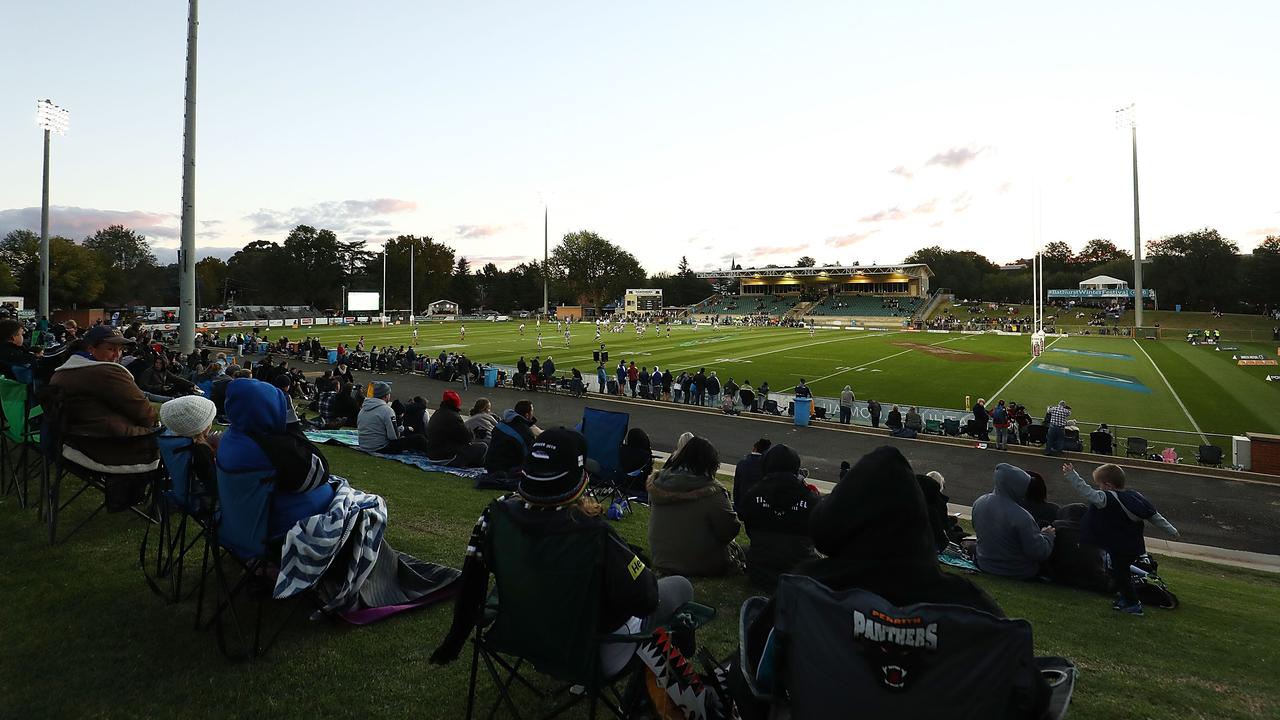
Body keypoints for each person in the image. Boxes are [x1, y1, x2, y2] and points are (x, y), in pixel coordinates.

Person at [431, 428, 694, 680]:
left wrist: (454, 642)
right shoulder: (593, 534)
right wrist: (637, 567)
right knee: (680, 587)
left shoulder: (495, 516)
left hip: (524, 637)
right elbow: (646, 600)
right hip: (588, 653)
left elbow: (471, 587)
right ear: (580, 481)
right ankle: (677, 672)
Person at [218, 379, 335, 534]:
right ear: (266, 409)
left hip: (241, 523)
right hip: (274, 528)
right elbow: (320, 471)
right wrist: (292, 426)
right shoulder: (269, 447)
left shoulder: (233, 437)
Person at [1062, 462, 1178, 615]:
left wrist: (1072, 475)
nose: (1099, 488)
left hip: (1118, 545)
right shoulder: (1135, 497)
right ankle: (1125, 598)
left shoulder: (1106, 498)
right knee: (1119, 572)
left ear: (1108, 485)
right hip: (1133, 545)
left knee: (1120, 574)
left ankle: (1133, 604)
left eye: (1100, 485)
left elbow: (1086, 491)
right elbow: (1155, 517)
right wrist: (1172, 531)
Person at [49, 325, 159, 472]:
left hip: (74, 441)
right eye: (111, 349)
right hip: (108, 446)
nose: (116, 355)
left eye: (120, 350)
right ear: (91, 349)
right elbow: (144, 413)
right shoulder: (106, 372)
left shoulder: (63, 371)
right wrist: (157, 423)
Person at [646, 436, 741, 577]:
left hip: (662, 559)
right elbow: (728, 531)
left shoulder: (659, 483)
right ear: (710, 464)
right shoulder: (712, 492)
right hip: (699, 564)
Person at [737, 444, 820, 589]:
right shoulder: (810, 499)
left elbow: (748, 524)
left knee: (744, 549)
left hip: (760, 572)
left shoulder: (752, 495)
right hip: (798, 574)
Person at [971, 463, 1056, 580]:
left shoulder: (979, 502)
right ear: (1018, 487)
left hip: (985, 564)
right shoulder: (1022, 516)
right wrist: (1048, 535)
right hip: (1018, 571)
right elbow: (1039, 552)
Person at [358, 381, 432, 455]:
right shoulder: (387, 410)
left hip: (364, 445)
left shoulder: (364, 408)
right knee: (419, 438)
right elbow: (394, 436)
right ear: (385, 396)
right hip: (380, 447)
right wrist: (403, 430)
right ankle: (434, 454)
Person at [425, 390, 488, 467]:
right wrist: (473, 433)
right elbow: (466, 438)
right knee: (482, 447)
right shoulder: (453, 417)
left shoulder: (438, 413)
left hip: (433, 455)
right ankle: (478, 467)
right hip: (446, 458)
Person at [483, 400, 538, 477]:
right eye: (532, 411)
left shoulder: (502, 423)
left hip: (490, 466)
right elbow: (528, 456)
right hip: (507, 469)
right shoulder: (525, 432)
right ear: (527, 415)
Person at [731, 437, 771, 513]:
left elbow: (737, 486)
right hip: (761, 505)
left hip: (744, 503)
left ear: (754, 448)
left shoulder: (742, 463)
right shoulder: (768, 465)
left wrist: (737, 505)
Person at [617, 427, 655, 498]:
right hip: (636, 484)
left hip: (619, 480)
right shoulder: (644, 455)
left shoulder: (621, 450)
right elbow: (647, 472)